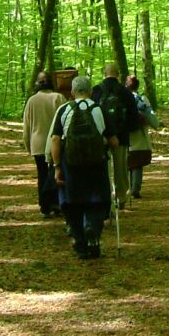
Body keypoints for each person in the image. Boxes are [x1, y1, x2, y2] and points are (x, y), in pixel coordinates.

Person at [51, 75, 118, 260]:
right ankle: (93, 232)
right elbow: (113, 140)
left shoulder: (63, 110)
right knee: (97, 200)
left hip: (70, 164)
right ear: (89, 91)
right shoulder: (99, 109)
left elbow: (55, 139)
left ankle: (80, 244)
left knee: (72, 203)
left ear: (72, 92)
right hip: (96, 164)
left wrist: (57, 166)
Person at [93, 62, 140, 210]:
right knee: (121, 168)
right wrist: (130, 130)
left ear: (104, 73)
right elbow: (133, 116)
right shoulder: (125, 92)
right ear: (118, 74)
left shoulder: (96, 91)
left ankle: (106, 198)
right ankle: (122, 198)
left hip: (102, 137)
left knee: (103, 169)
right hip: (121, 136)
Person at [22, 71, 66, 218]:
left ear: (37, 83)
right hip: (56, 142)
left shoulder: (31, 101)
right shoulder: (59, 98)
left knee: (42, 175)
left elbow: (26, 127)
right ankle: (57, 203)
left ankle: (44, 206)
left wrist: (28, 146)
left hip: (38, 143)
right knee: (56, 173)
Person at [125, 74, 160, 199]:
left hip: (125, 135)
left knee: (128, 162)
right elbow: (150, 115)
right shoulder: (142, 98)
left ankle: (128, 188)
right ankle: (135, 188)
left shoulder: (122, 98)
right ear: (137, 86)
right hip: (139, 134)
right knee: (138, 163)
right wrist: (156, 124)